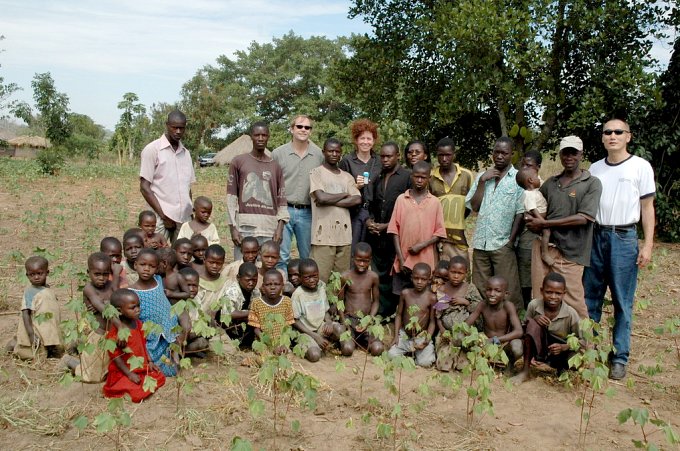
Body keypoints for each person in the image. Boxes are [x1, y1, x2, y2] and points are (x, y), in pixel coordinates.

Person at [583, 118, 656, 380]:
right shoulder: (594, 169)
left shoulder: (640, 167)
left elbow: (647, 208)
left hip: (624, 238)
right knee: (590, 297)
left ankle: (619, 357)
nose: (612, 136)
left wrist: (647, 245)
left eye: (618, 132)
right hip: (596, 237)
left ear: (628, 136)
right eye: (607, 132)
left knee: (622, 301)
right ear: (602, 138)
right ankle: (587, 352)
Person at [526, 136, 602, 319]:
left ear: (581, 154)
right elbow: (538, 208)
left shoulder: (591, 183)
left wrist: (545, 224)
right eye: (565, 153)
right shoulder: (551, 183)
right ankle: (543, 343)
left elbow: (584, 218)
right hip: (544, 249)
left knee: (573, 301)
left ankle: (585, 345)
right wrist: (533, 220)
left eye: (573, 153)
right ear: (560, 155)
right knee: (540, 298)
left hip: (571, 253)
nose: (569, 157)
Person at [465, 137, 524, 312]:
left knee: (508, 289)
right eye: (496, 152)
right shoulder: (483, 177)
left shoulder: (518, 179)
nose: (499, 156)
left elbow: (520, 213)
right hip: (481, 243)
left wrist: (510, 242)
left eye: (504, 153)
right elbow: (474, 206)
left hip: (502, 243)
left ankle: (514, 326)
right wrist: (483, 181)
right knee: (481, 288)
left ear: (511, 155)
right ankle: (483, 327)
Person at [227, 122, 289, 260]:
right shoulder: (238, 162)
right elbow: (231, 198)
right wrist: (233, 228)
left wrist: (280, 228)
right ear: (251, 137)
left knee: (266, 272)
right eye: (257, 135)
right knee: (243, 270)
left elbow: (281, 201)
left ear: (268, 137)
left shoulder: (275, 166)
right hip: (245, 228)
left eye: (264, 135)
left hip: (269, 229)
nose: (260, 138)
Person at [272, 115, 324, 273]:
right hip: (284, 210)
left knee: (307, 256)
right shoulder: (278, 153)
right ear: (291, 129)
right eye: (299, 126)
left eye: (307, 127)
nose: (303, 130)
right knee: (281, 255)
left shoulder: (318, 155)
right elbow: (271, 183)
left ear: (311, 131)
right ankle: (282, 291)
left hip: (308, 211)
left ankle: (304, 293)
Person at [366, 141, 411, 318]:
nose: (385, 160)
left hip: (396, 236)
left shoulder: (407, 177)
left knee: (396, 275)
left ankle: (397, 312)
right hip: (377, 236)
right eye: (382, 156)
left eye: (389, 156)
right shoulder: (377, 177)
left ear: (398, 156)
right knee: (379, 274)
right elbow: (371, 204)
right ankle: (382, 311)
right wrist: (370, 222)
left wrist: (388, 226)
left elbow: (409, 208)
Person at [388, 161, 446, 298]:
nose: (419, 180)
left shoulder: (435, 202)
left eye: (423, 177)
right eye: (416, 176)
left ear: (429, 179)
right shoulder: (402, 199)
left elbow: (439, 233)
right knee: (402, 296)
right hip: (404, 259)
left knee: (424, 296)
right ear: (411, 177)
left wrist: (422, 245)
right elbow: (394, 231)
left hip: (425, 260)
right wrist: (401, 259)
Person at [511, 273, 582, 385]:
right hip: (539, 348)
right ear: (541, 291)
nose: (553, 296)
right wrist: (534, 319)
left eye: (558, 293)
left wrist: (564, 347)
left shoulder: (570, 314)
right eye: (549, 292)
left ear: (564, 294)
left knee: (576, 361)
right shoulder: (534, 305)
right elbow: (523, 331)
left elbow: (582, 342)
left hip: (560, 352)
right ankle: (525, 370)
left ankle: (560, 369)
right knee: (531, 325)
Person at [310, 138, 362, 282]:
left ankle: (337, 305)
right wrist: (344, 194)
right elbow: (321, 197)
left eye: (337, 151)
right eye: (330, 151)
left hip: (344, 237)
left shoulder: (347, 177)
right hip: (322, 237)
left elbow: (357, 199)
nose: (334, 154)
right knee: (321, 279)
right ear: (323, 152)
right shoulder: (316, 173)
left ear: (341, 154)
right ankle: (322, 306)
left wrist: (329, 200)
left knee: (340, 281)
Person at [140, 110, 195, 243]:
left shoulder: (186, 154)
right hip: (160, 218)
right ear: (167, 125)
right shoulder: (152, 150)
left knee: (182, 257)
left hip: (183, 218)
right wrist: (164, 216)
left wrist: (190, 214)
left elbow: (187, 188)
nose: (178, 131)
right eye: (174, 127)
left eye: (181, 128)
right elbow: (144, 187)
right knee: (158, 257)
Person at [129, 249, 186, 377]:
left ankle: (175, 353)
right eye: (143, 265)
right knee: (157, 370)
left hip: (169, 329)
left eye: (151, 266)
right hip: (152, 337)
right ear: (135, 265)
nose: (146, 269)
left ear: (157, 268)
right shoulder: (132, 292)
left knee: (174, 369)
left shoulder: (158, 280)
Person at [103, 289, 166, 402]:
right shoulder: (115, 333)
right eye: (133, 308)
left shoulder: (138, 324)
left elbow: (143, 344)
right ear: (119, 311)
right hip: (124, 371)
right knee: (136, 393)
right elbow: (115, 357)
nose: (138, 310)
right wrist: (129, 374)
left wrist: (150, 361)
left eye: (138, 306)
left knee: (159, 376)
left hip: (140, 367)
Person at [67, 253, 122, 382]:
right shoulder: (89, 288)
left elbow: (117, 296)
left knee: (110, 372)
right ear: (88, 272)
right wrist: (120, 325)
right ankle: (70, 362)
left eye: (105, 274)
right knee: (92, 377)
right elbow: (103, 308)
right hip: (98, 334)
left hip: (111, 334)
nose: (101, 278)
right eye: (97, 274)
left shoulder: (110, 285)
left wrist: (116, 275)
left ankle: (80, 347)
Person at [292, 259, 352, 361]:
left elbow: (325, 311)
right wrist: (315, 336)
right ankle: (314, 345)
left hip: (320, 327)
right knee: (315, 355)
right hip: (306, 332)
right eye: (307, 278)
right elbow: (295, 321)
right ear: (301, 278)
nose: (312, 280)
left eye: (315, 276)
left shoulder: (321, 287)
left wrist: (328, 322)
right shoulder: (298, 295)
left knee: (339, 329)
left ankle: (342, 345)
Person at [339, 119, 382, 252]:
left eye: (369, 138)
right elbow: (341, 188)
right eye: (362, 138)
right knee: (353, 250)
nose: (365, 142)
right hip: (354, 212)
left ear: (374, 141)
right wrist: (355, 187)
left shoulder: (379, 161)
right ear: (356, 140)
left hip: (375, 212)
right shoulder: (347, 161)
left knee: (375, 251)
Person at [434, 256, 484, 371]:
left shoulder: (470, 288)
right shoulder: (442, 289)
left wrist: (466, 302)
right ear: (448, 271)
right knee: (443, 365)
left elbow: (479, 308)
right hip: (448, 335)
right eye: (453, 272)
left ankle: (462, 354)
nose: (456, 276)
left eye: (460, 273)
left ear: (466, 274)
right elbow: (438, 315)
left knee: (465, 366)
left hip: (466, 334)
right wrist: (442, 330)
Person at [465, 276, 523, 372]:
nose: (492, 294)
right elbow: (467, 324)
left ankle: (510, 363)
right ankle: (486, 361)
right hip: (485, 343)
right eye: (489, 290)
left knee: (517, 346)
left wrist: (495, 340)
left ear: (506, 294)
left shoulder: (508, 306)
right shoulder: (482, 304)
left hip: (504, 344)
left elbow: (519, 331)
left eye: (497, 291)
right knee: (463, 336)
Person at [429, 138, 474, 260]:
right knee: (439, 275)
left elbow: (470, 205)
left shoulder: (466, 175)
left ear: (454, 154)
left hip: (459, 240)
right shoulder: (431, 177)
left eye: (448, 155)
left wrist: (457, 217)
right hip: (438, 239)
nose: (444, 159)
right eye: (441, 155)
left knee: (460, 275)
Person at [10, 256, 62, 359]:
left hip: (47, 326)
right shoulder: (30, 292)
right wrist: (31, 335)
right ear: (27, 275)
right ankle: (13, 344)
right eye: (32, 274)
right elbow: (25, 314)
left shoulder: (48, 289)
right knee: (34, 354)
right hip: (36, 328)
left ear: (47, 272)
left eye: (39, 273)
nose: (36, 277)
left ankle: (50, 347)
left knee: (53, 345)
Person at [388, 263, 437, 368]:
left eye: (423, 279)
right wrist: (396, 336)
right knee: (391, 355)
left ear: (429, 280)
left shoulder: (431, 298)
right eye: (416, 278)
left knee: (425, 362)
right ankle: (410, 354)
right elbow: (399, 315)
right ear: (411, 278)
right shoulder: (405, 293)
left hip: (421, 337)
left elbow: (433, 321)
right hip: (405, 335)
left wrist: (427, 340)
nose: (419, 282)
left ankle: (415, 354)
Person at [339, 243, 383, 356]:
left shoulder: (373, 277)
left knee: (377, 349)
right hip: (350, 319)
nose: (362, 264)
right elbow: (339, 302)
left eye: (366, 261)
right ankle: (354, 340)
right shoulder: (345, 276)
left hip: (366, 320)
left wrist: (369, 319)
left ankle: (363, 340)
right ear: (353, 258)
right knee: (347, 350)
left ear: (370, 259)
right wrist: (345, 323)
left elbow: (376, 302)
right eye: (359, 260)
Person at [515, 151, 543, 306]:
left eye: (529, 165)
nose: (525, 168)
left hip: (537, 236)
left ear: (538, 167)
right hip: (524, 240)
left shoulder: (544, 186)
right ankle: (526, 311)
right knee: (525, 280)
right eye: (523, 165)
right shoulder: (521, 187)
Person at [248, 270, 295, 355]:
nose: (272, 287)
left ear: (282, 286)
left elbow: (288, 326)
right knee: (265, 358)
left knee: (285, 358)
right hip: (263, 342)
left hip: (282, 342)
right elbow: (256, 329)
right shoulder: (256, 303)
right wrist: (271, 345)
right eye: (268, 284)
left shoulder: (287, 301)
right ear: (263, 286)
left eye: (276, 284)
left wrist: (284, 344)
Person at [515, 167, 552, 268]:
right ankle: (545, 253)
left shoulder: (535, 191)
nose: (539, 178)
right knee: (547, 231)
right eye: (537, 176)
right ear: (531, 180)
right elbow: (532, 209)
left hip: (541, 217)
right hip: (538, 218)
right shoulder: (528, 194)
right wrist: (542, 220)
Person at [220, 262, 260, 348]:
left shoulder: (256, 292)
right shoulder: (232, 291)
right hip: (229, 327)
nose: (251, 283)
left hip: (244, 325)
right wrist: (250, 313)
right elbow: (228, 314)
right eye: (248, 280)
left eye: (254, 280)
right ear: (238, 278)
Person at [194, 244, 230, 325]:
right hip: (195, 323)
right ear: (204, 260)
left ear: (223, 262)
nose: (214, 266)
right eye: (211, 262)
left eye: (218, 263)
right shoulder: (195, 280)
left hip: (215, 324)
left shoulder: (226, 282)